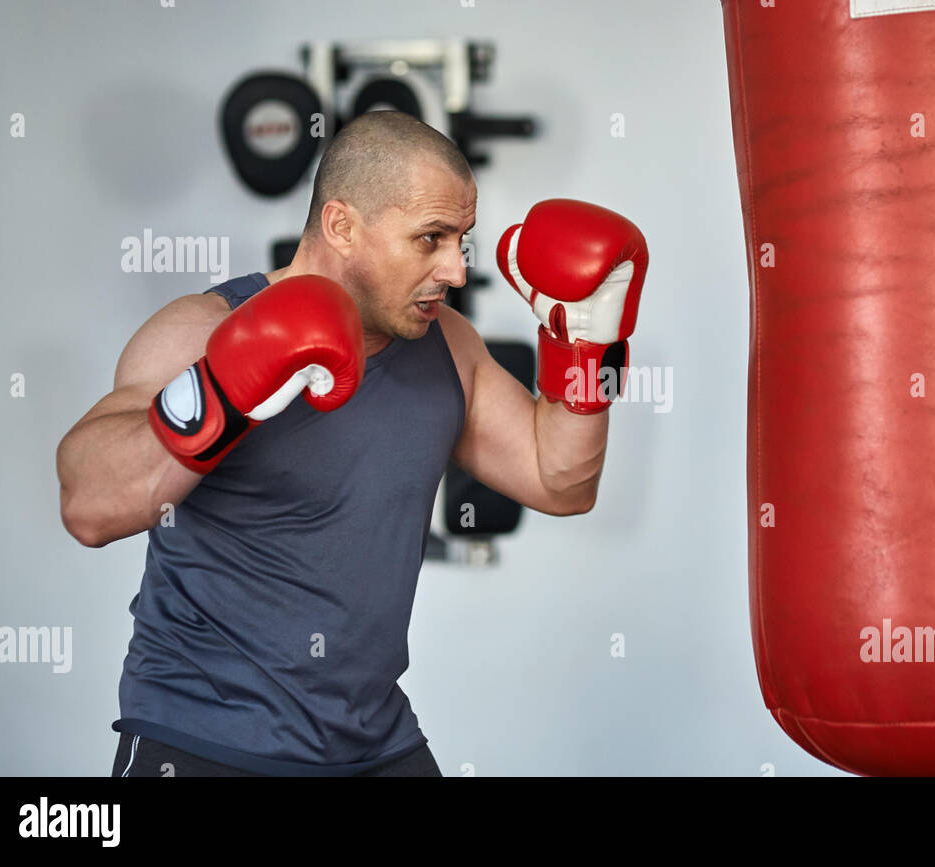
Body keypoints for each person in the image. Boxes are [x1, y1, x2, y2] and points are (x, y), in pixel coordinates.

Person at [55, 110, 648, 776]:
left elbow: (561, 481)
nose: (456, 268)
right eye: (431, 238)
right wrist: (226, 387)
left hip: (373, 742)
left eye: (461, 239)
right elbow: (88, 505)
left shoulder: (448, 347)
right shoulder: (205, 328)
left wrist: (587, 347)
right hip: (202, 737)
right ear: (341, 225)